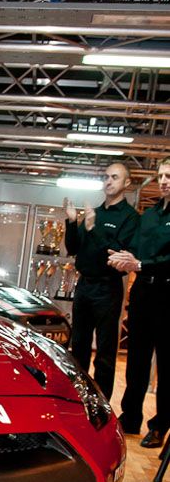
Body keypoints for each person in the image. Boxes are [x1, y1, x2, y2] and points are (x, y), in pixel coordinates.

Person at [63, 161, 139, 400]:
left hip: (108, 288)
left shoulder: (130, 218)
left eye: (114, 177)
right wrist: (72, 222)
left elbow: (116, 255)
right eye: (106, 177)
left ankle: (102, 406)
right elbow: (73, 248)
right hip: (84, 286)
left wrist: (94, 228)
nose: (108, 181)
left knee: (105, 353)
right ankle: (79, 401)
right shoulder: (95, 212)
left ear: (126, 183)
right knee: (79, 349)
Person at [108, 157, 170, 448]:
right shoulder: (149, 215)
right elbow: (135, 250)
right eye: (161, 175)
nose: (164, 180)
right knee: (136, 362)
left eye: (169, 175)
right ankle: (130, 417)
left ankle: (159, 426)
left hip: (168, 295)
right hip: (143, 292)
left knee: (165, 365)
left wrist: (142, 264)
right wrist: (123, 258)